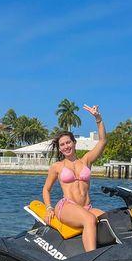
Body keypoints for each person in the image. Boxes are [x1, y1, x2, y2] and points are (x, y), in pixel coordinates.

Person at [42, 104, 106, 252]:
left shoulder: (86, 161)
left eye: (68, 142)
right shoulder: (57, 166)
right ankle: (91, 258)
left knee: (111, 219)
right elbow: (46, 189)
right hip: (66, 206)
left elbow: (102, 141)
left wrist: (98, 118)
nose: (66, 146)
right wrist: (49, 208)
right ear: (60, 148)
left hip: (87, 207)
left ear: (74, 143)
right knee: (89, 219)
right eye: (62, 145)